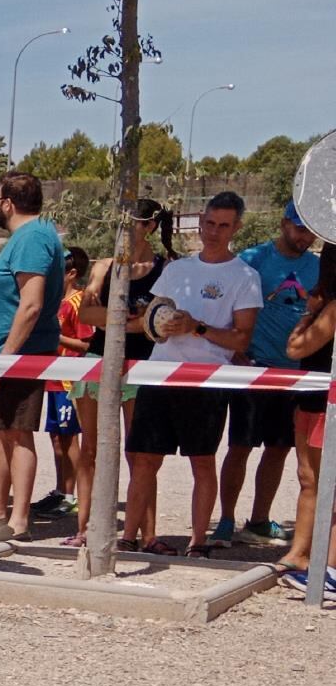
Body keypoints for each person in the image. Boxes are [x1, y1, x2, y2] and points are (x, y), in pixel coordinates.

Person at [126, 191, 261, 556]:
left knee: (202, 461)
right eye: (209, 223)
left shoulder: (245, 276)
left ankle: (198, 541)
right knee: (144, 459)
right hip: (160, 373)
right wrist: (159, 325)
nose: (214, 232)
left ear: (236, 228)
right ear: (200, 222)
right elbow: (151, 317)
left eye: (223, 225)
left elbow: (241, 338)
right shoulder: (176, 270)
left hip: (207, 379)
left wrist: (197, 327)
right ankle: (127, 538)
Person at [0, 172, 65, 541]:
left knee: (19, 435)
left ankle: (20, 519)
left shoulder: (33, 237)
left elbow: (31, 305)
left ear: (8, 202)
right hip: (2, 354)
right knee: (3, 433)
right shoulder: (26, 238)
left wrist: (4, 360)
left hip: (20, 355)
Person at [225, 202, 321, 542]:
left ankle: (259, 521)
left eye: (310, 230)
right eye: (299, 228)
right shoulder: (254, 259)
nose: (305, 236)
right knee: (240, 445)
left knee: (279, 449)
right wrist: (236, 353)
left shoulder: (318, 267)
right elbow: (229, 307)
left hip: (296, 374)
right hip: (254, 368)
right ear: (284, 223)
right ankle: (224, 521)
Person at [78, 199, 172, 548]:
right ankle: (84, 529)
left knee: (140, 454)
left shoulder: (166, 268)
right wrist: (133, 321)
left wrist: (122, 321)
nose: (124, 229)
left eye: (132, 223)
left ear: (149, 225)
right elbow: (86, 315)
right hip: (98, 361)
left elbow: (161, 324)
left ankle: (147, 535)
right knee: (90, 450)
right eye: (120, 222)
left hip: (141, 367)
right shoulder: (105, 265)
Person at [276, 257, 336, 591]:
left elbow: (296, 347)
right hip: (311, 400)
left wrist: (307, 314)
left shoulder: (332, 307)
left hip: (326, 405)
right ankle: (300, 553)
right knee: (309, 479)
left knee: (328, 485)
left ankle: (327, 569)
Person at [37, 246, 94, 522]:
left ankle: (72, 495)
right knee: (57, 438)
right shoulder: (53, 302)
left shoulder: (78, 302)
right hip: (52, 379)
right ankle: (61, 490)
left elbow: (85, 344)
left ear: (72, 273)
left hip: (70, 381)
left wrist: (55, 337)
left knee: (71, 437)